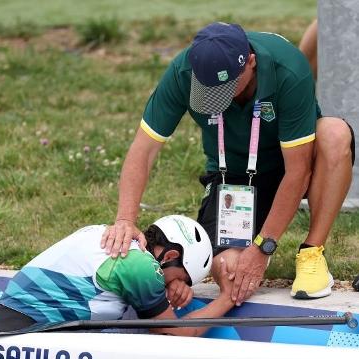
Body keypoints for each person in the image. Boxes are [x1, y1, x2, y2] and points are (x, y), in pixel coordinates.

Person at [101, 22, 355, 303]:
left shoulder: (288, 68)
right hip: (231, 179)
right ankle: (245, 245)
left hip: (290, 166)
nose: (215, 98)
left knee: (334, 133)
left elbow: (299, 170)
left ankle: (311, 251)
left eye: (225, 88)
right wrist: (125, 219)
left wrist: (263, 247)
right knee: (230, 274)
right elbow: (143, 150)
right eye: (207, 89)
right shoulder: (183, 71)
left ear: (250, 63)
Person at [0, 215, 234, 336]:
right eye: (181, 277)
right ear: (169, 257)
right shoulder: (141, 268)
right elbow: (178, 335)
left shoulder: (106, 233)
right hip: (23, 333)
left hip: (13, 321)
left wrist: (168, 283)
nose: (177, 285)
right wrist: (227, 298)